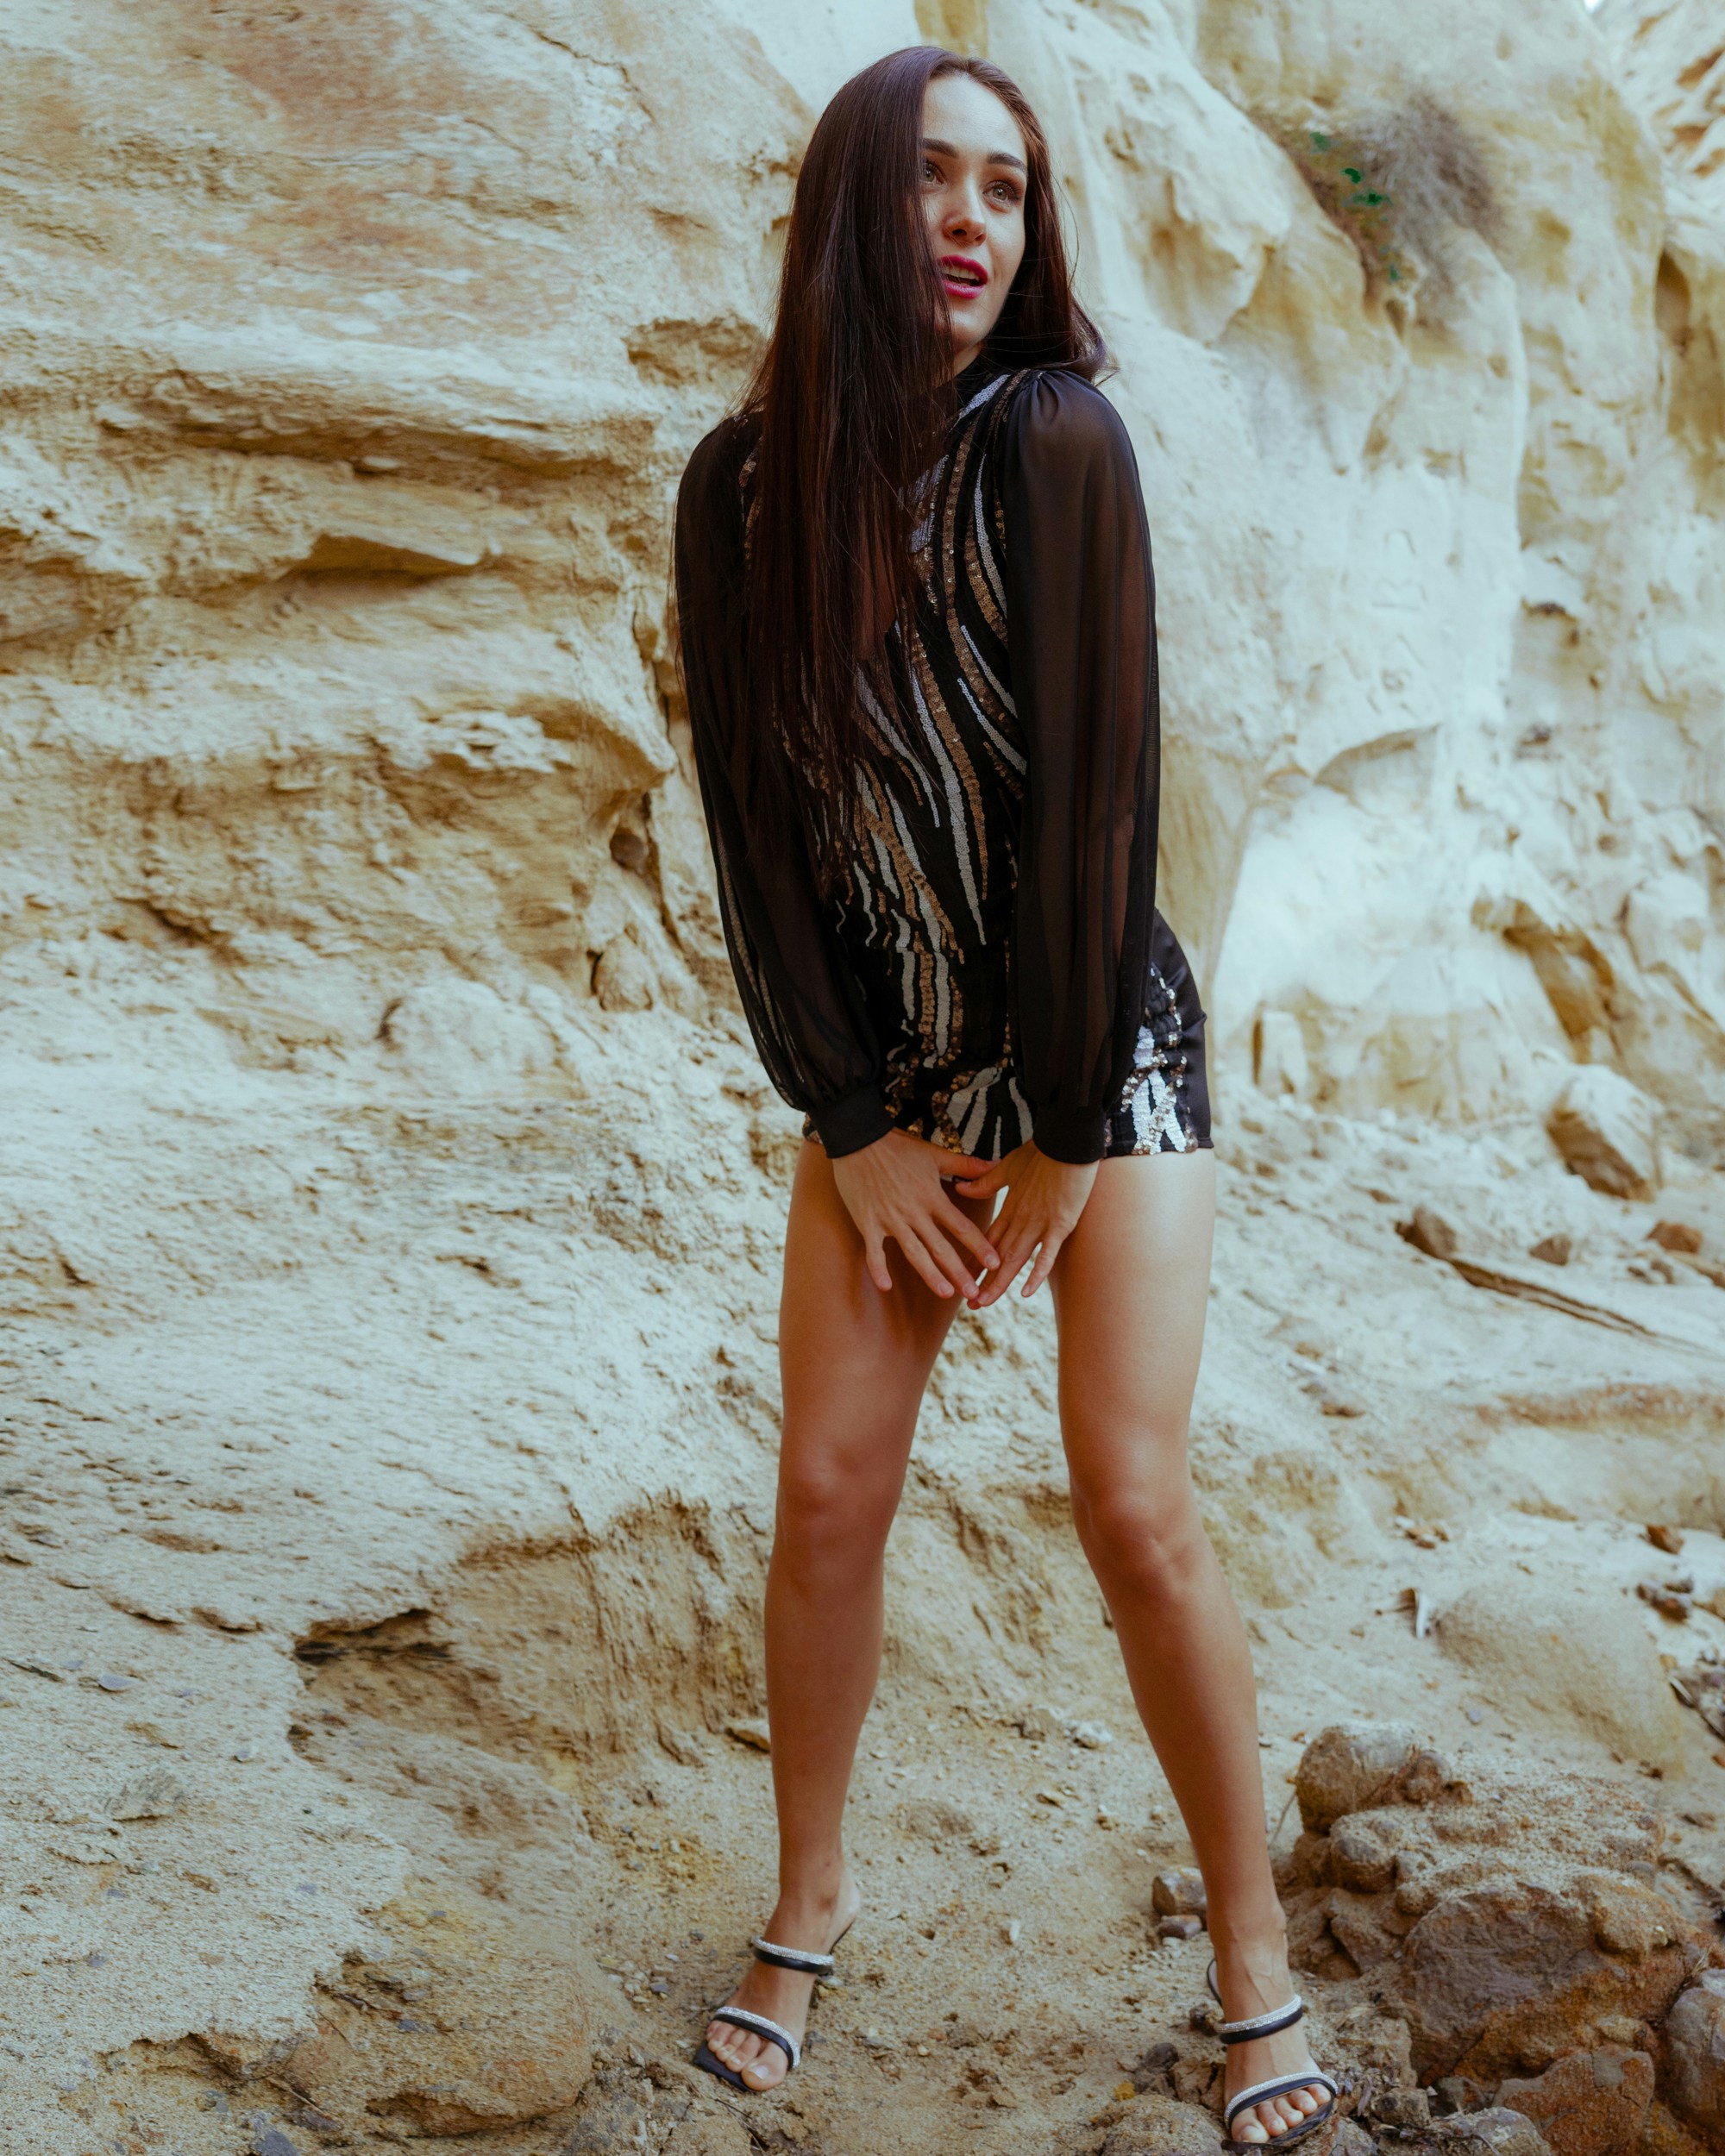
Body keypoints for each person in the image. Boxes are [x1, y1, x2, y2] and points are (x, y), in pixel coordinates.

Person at [673, 46, 1338, 2148]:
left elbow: (1099, 806)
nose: (972, 221)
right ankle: (806, 1900)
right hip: (890, 1070)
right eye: (931, 181)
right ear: (845, 211)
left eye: (1009, 191)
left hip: (1095, 1051)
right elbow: (755, 840)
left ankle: (1252, 1960)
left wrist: (1059, 1127)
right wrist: (853, 1119)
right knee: (824, 1496)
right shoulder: (736, 489)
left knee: (1132, 1500)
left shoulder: (1053, 439)